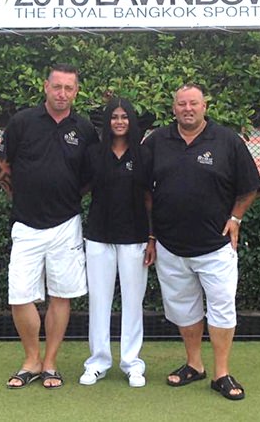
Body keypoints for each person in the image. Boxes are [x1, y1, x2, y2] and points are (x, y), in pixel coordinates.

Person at [143, 83, 260, 401]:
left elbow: (249, 186)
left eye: (193, 103)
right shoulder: (157, 141)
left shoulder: (227, 141)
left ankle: (221, 372)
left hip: (216, 245)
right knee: (184, 310)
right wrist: (153, 234)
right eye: (182, 104)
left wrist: (235, 218)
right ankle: (194, 364)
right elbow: (144, 190)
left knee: (222, 309)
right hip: (170, 246)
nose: (187, 109)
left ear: (204, 106)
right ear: (174, 108)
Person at [0, 64, 98, 389]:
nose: (62, 93)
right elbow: (1, 165)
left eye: (69, 88)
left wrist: (65, 196)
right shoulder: (22, 122)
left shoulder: (84, 128)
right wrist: (20, 196)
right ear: (45, 87)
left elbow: (89, 177)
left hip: (66, 224)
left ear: (76, 91)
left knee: (61, 296)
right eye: (57, 87)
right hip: (25, 225)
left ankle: (50, 363)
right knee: (20, 296)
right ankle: (31, 360)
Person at [79, 97, 156, 388]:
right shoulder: (93, 153)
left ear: (132, 121)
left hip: (135, 237)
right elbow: (81, 188)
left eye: (125, 117)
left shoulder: (145, 155)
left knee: (133, 302)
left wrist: (152, 236)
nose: (120, 121)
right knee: (99, 301)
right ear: (107, 121)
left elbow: (150, 198)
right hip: (98, 236)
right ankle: (97, 362)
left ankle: (132, 363)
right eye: (114, 117)